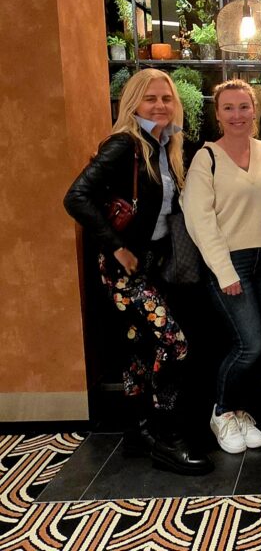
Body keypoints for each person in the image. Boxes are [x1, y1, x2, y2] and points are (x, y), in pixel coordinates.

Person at [64, 69, 212, 475]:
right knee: (175, 344)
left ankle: (140, 431)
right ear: (133, 104)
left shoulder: (164, 145)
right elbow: (75, 197)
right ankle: (168, 438)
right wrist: (117, 247)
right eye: (150, 98)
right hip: (124, 270)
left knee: (139, 350)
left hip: (150, 264)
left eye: (166, 98)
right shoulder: (124, 144)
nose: (160, 105)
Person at [182, 80, 261, 455]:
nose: (237, 115)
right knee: (249, 345)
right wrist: (224, 271)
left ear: (254, 110)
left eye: (243, 107)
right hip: (230, 260)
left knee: (260, 345)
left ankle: (240, 410)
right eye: (228, 108)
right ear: (217, 114)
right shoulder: (206, 158)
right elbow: (199, 220)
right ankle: (221, 411)